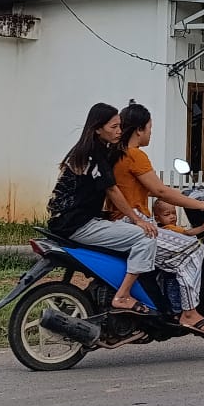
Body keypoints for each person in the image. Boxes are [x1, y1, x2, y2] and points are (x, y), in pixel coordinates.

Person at [112, 102, 204, 338]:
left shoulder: (116, 155)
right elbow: (161, 192)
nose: (150, 133)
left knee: (177, 255)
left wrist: (179, 193)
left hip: (117, 222)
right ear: (139, 129)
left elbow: (149, 189)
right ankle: (189, 313)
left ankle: (168, 304)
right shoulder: (135, 155)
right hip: (133, 222)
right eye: (149, 128)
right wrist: (201, 204)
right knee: (193, 248)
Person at [46, 102, 158, 316]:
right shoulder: (95, 153)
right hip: (78, 225)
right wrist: (137, 219)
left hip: (66, 221)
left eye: (120, 126)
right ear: (98, 128)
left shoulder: (85, 150)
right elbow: (113, 191)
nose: (119, 131)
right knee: (146, 237)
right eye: (114, 127)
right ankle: (123, 295)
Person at [151, 198, 204, 323]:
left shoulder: (165, 228)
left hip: (166, 267)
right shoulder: (170, 229)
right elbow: (188, 233)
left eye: (174, 213)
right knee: (174, 288)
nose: (172, 217)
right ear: (157, 219)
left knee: (170, 289)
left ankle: (175, 310)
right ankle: (177, 312)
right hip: (173, 268)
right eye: (167, 214)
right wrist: (203, 227)